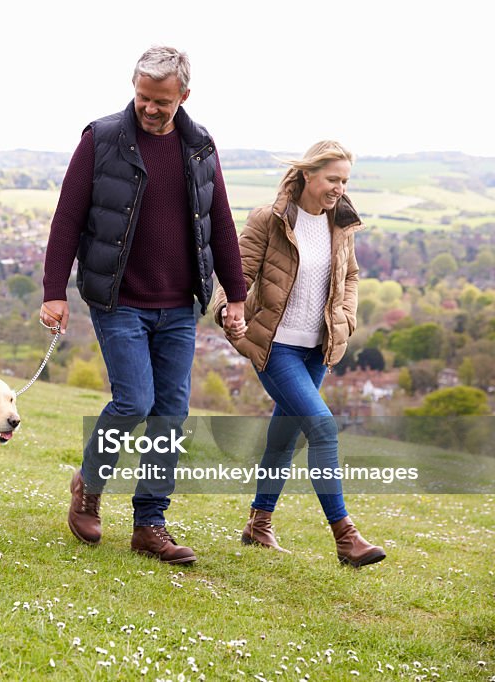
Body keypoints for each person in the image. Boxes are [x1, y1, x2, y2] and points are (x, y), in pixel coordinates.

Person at [40, 45, 248, 565]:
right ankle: (88, 487)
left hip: (179, 304)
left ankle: (149, 525)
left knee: (170, 415)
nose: (150, 109)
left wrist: (236, 296)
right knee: (134, 402)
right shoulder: (102, 138)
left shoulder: (199, 145)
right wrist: (53, 291)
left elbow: (219, 222)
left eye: (161, 101)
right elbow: (67, 218)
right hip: (119, 298)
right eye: (142, 97)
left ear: (184, 95)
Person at [210, 140, 386, 568]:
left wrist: (345, 319)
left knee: (285, 436)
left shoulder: (340, 224)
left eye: (344, 180)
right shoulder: (268, 220)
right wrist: (225, 310)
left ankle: (258, 523)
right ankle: (346, 537)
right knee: (323, 428)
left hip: (315, 350)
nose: (339, 189)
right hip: (275, 346)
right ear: (308, 175)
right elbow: (239, 273)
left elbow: (351, 276)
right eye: (332, 179)